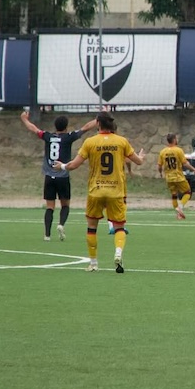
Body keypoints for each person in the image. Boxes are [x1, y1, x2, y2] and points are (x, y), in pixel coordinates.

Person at [54, 111, 145, 273]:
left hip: (96, 191)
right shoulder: (121, 141)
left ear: (98, 123)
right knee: (119, 227)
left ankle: (94, 263)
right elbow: (137, 161)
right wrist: (142, 157)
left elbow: (74, 165)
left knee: (91, 228)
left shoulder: (90, 142)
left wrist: (61, 166)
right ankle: (118, 253)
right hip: (115, 191)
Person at [21, 111, 97, 241]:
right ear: (66, 126)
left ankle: (47, 235)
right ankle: (61, 224)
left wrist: (24, 119)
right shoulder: (68, 137)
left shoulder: (47, 136)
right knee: (65, 204)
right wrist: (98, 120)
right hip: (63, 176)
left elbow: (33, 129)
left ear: (55, 126)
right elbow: (85, 128)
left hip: (49, 177)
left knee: (50, 206)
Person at [158, 133, 195, 220]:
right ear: (174, 140)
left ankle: (178, 215)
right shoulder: (178, 150)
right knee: (188, 192)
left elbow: (159, 165)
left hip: (169, 178)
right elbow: (185, 163)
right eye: (176, 139)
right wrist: (194, 169)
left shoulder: (162, 152)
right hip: (178, 177)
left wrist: (160, 173)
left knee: (174, 195)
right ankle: (180, 207)